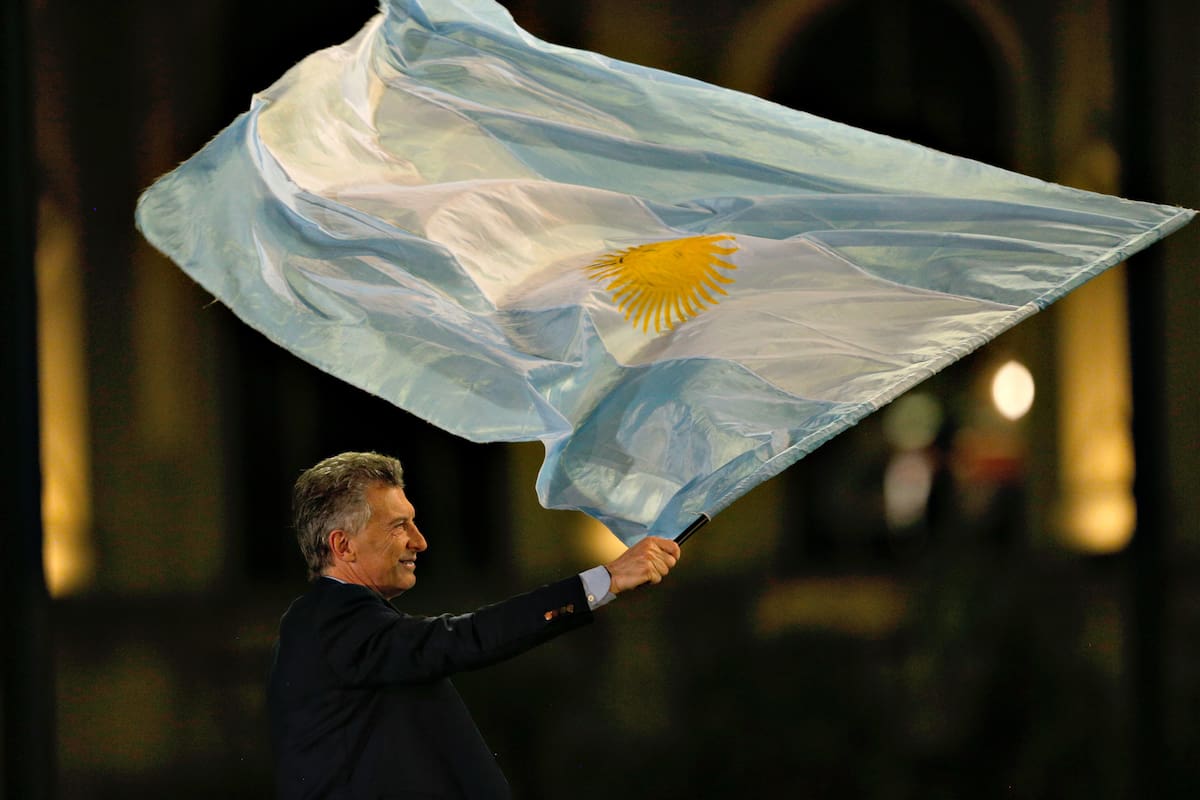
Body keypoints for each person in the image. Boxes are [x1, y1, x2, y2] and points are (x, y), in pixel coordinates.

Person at [267, 451, 681, 799]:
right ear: (343, 545)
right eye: (398, 526)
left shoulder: (349, 625)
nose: (419, 540)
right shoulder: (331, 620)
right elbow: (464, 637)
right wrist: (602, 581)